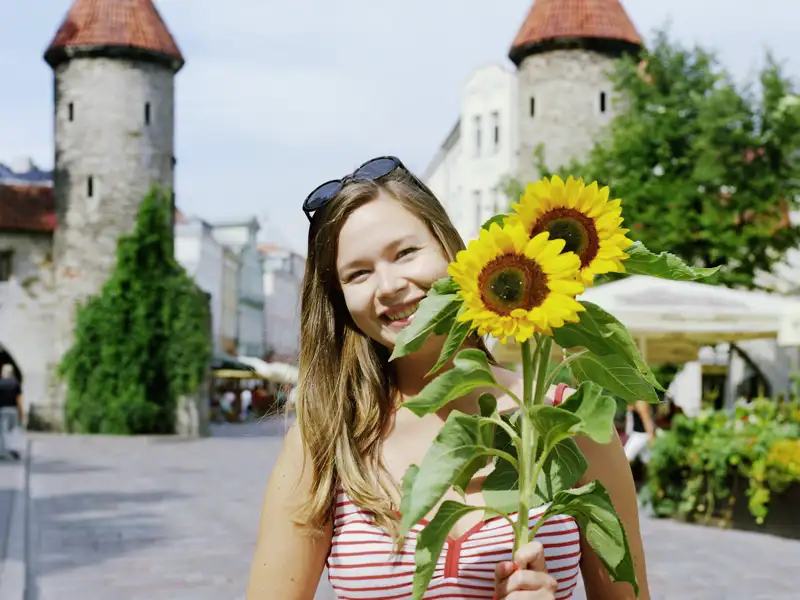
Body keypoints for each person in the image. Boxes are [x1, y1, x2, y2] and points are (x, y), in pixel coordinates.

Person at [246, 156, 650, 599]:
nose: (388, 285)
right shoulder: (327, 439)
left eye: (405, 253)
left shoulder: (568, 420)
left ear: (451, 249)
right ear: (340, 299)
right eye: (358, 273)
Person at [0, 363, 23, 459]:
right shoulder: (16, 383)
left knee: (3, 432)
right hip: (13, 410)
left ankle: (4, 451)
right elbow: (19, 399)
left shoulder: (0, 383)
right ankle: (11, 450)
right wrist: (21, 413)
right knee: (13, 431)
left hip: (2, 410)